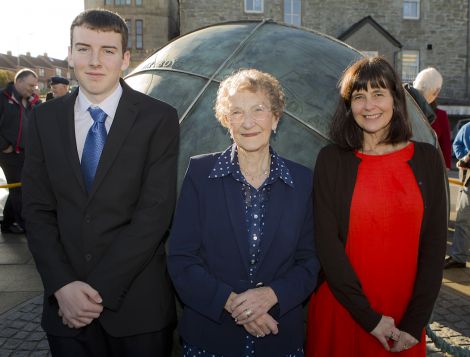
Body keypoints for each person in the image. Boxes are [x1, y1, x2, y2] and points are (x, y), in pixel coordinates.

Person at [22, 9, 179, 356]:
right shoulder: (43, 119)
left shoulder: (159, 118)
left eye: (107, 50)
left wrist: (97, 291)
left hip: (137, 310)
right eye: (84, 48)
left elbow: (154, 215)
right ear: (70, 53)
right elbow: (36, 210)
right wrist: (62, 285)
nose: (94, 61)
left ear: (125, 59)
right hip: (65, 308)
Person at [168, 69, 320, 356]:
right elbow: (181, 258)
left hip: (278, 336)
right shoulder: (200, 174)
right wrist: (235, 304)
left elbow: (310, 262)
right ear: (226, 121)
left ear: (275, 118)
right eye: (236, 112)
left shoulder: (302, 181)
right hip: (211, 338)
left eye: (258, 110)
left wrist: (270, 296)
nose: (248, 122)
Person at [306, 56, 447, 356]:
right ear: (349, 105)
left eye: (378, 93)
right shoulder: (331, 160)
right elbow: (327, 245)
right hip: (343, 312)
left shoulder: (426, 159)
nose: (369, 106)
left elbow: (434, 247)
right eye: (359, 96)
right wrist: (369, 319)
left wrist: (415, 322)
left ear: (395, 100)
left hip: (404, 321)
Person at [0, 68, 39, 234]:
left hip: (25, 152)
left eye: (35, 86)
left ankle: (7, 223)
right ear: (19, 81)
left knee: (20, 186)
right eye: (30, 85)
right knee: (20, 190)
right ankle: (26, 225)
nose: (33, 89)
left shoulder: (30, 102)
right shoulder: (2, 98)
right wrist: (4, 146)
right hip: (8, 153)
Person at [414, 67, 452, 169]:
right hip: (430, 168)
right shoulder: (441, 116)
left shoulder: (402, 109)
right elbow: (446, 146)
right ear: (436, 92)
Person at [446, 123, 470, 269]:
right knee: (463, 219)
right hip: (468, 177)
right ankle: (459, 257)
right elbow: (457, 145)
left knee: (464, 219)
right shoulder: (467, 127)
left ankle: (459, 256)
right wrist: (463, 159)